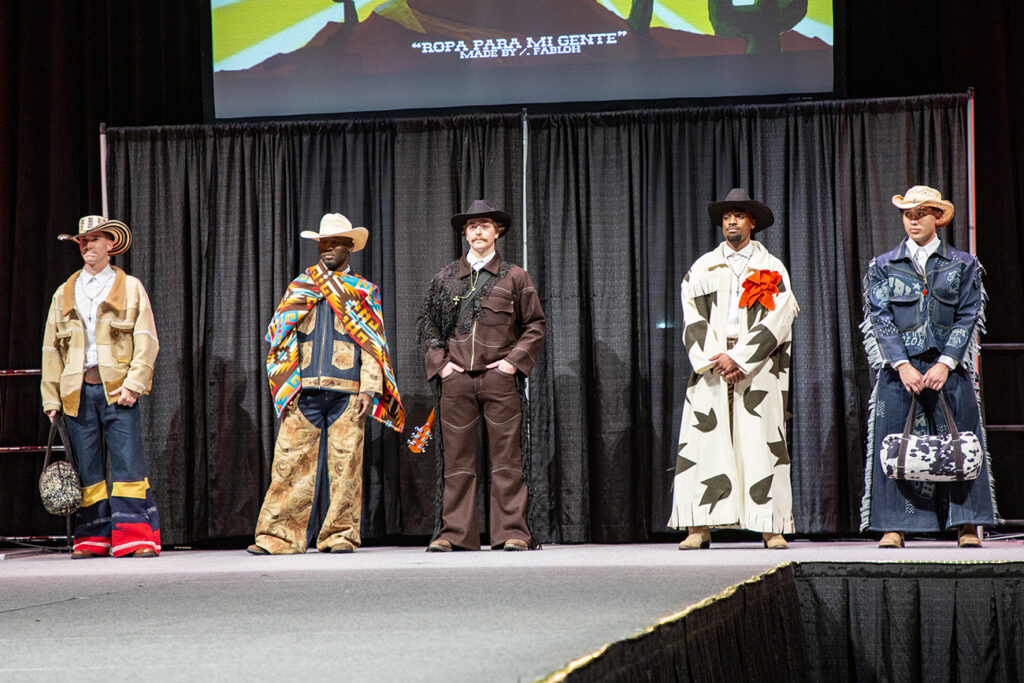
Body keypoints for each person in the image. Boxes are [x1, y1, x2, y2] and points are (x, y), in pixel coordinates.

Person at [248, 213, 404, 555]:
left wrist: (369, 387)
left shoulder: (363, 291)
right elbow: (279, 338)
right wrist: (284, 385)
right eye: (323, 243)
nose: (328, 248)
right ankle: (278, 536)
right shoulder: (300, 287)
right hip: (303, 388)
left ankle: (340, 536)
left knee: (347, 467)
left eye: (334, 243)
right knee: (289, 464)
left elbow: (373, 344)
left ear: (350, 247)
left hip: (347, 391)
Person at [860, 185, 997, 548]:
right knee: (895, 440)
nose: (914, 220)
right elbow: (879, 316)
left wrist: (946, 362)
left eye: (921, 213)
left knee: (961, 438)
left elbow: (968, 315)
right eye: (908, 214)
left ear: (937, 217)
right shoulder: (883, 265)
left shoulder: (963, 264)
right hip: (900, 370)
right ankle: (894, 525)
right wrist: (902, 365)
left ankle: (966, 524)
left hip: (946, 368)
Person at [667, 189, 799, 550]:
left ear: (752, 222)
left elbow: (781, 316)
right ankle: (699, 525)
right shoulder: (703, 267)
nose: (731, 222)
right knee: (704, 441)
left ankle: (770, 525)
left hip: (755, 366)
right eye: (726, 217)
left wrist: (740, 358)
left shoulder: (771, 268)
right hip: (712, 363)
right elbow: (691, 317)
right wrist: (717, 358)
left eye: (738, 216)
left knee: (761, 440)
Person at [416, 200, 545, 551]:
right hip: (456, 381)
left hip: (499, 379)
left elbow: (534, 325)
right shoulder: (445, 278)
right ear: (464, 233)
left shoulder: (515, 276)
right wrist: (442, 365)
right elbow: (427, 325)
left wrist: (512, 364)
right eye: (472, 226)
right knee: (457, 461)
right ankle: (455, 534)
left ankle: (513, 532)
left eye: (485, 225)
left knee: (507, 459)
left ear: (497, 232)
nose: (478, 231)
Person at [41, 216, 161, 558]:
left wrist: (134, 384)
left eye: (95, 239)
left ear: (111, 244)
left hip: (117, 390)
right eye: (83, 240)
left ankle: (135, 536)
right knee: (88, 468)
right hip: (78, 392)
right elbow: (51, 349)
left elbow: (146, 340)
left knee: (127, 465)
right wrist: (52, 397)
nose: (87, 245)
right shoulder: (65, 292)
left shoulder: (130, 287)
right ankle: (93, 537)